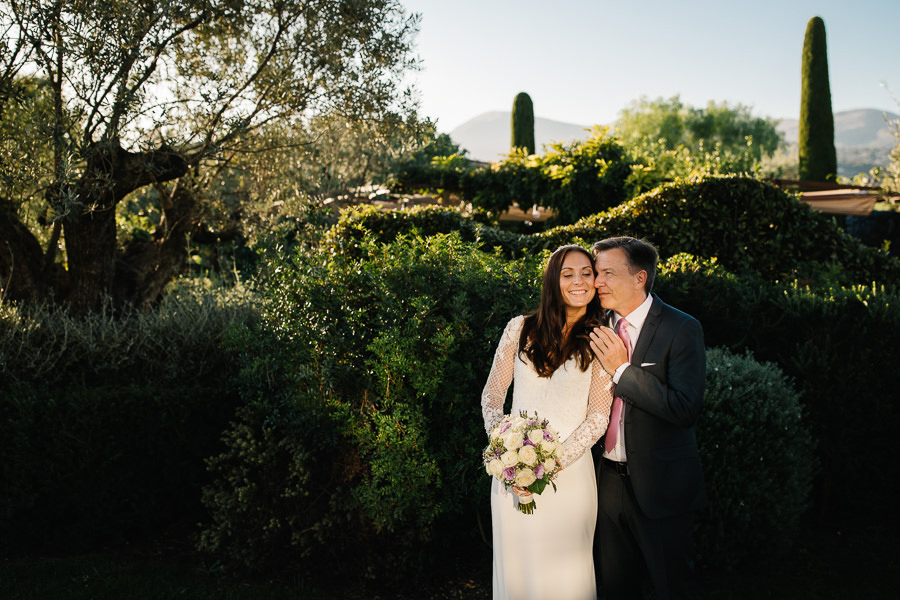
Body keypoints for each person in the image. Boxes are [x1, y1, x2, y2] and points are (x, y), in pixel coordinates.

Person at [481, 244, 614, 600]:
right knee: (519, 572)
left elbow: (598, 417)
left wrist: (547, 463)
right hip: (512, 476)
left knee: (566, 580)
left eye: (587, 273)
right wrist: (507, 453)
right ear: (552, 281)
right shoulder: (518, 329)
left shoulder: (602, 339)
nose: (579, 281)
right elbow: (492, 397)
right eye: (568, 274)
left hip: (569, 480)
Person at [588, 236, 707, 600]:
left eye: (607, 273)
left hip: (662, 486)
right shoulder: (592, 324)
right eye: (596, 273)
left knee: (671, 587)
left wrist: (621, 370)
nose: (596, 282)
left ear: (639, 278)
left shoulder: (681, 328)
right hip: (604, 482)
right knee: (614, 587)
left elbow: (685, 407)